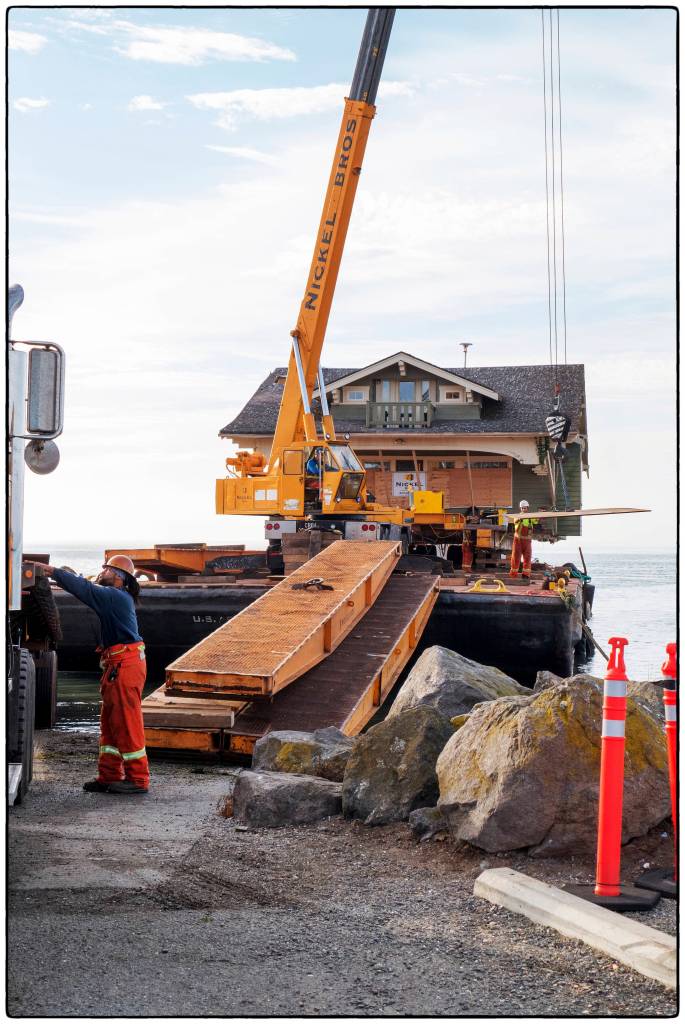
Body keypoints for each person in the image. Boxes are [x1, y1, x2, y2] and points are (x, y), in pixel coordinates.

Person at [45, 554, 149, 795]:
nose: (102, 573)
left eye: (107, 570)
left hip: (126, 665)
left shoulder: (114, 597)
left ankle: (138, 779)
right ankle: (109, 776)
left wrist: (53, 572)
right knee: (111, 723)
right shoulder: (117, 597)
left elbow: (84, 589)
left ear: (119, 578)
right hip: (118, 665)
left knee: (127, 722)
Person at [509, 500, 539, 579]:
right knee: (515, 557)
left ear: (527, 508)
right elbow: (515, 521)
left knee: (528, 557)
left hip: (527, 541)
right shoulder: (517, 516)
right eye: (522, 508)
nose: (524, 509)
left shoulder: (530, 517)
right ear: (520, 508)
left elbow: (536, 521)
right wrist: (520, 518)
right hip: (518, 540)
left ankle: (525, 575)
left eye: (525, 508)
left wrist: (540, 513)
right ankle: (513, 575)